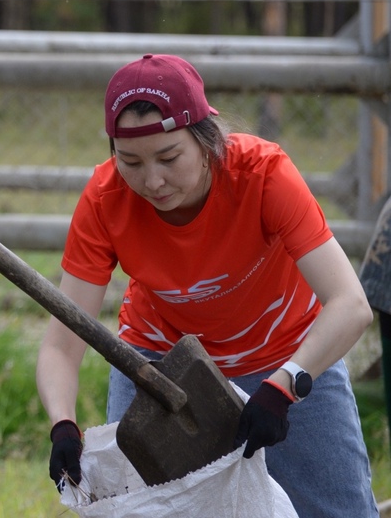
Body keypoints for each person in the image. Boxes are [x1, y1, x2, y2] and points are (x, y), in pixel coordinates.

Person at [35, 54, 378, 516]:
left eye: (169, 157)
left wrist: (284, 386)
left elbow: (350, 304)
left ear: (206, 138)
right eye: (130, 161)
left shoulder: (263, 175)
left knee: (338, 511)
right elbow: (62, 344)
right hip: (161, 367)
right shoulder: (105, 198)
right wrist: (63, 425)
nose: (152, 181)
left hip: (288, 355)